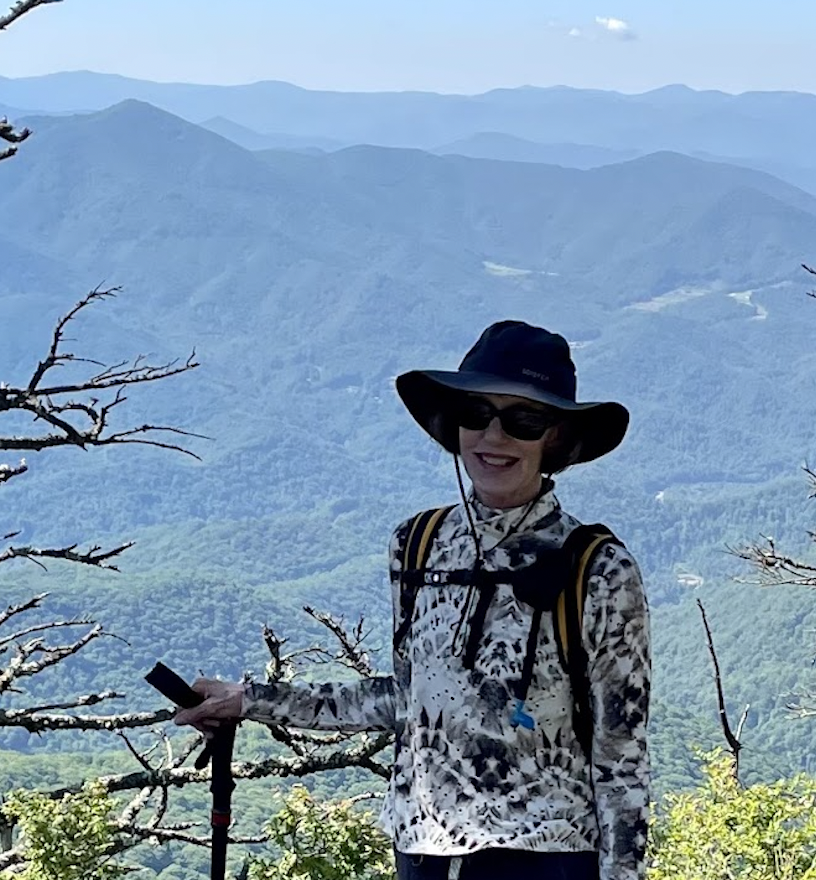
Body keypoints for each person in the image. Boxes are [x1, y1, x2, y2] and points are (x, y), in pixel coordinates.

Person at [174, 321, 650, 880]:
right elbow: (406, 700)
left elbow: (621, 754)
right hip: (422, 848)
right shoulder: (417, 545)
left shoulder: (599, 569)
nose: (493, 437)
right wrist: (249, 700)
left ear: (557, 439)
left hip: (546, 855)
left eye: (523, 420)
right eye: (476, 413)